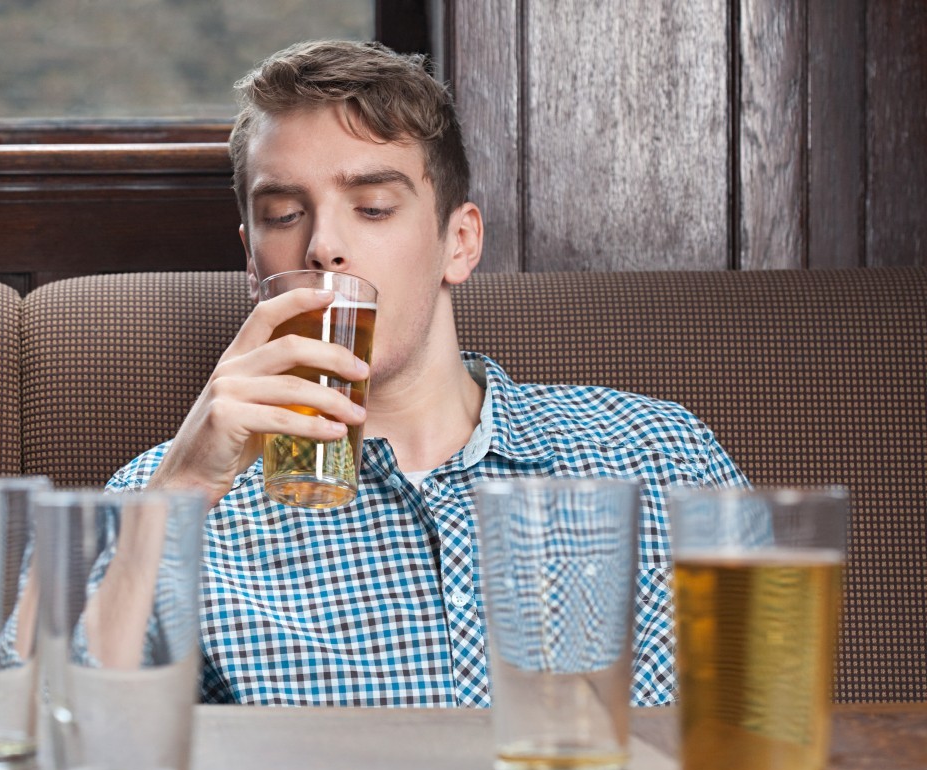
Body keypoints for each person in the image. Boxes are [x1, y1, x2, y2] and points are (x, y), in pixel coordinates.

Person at [106, 39, 748, 707]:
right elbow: (35, 741)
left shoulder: (665, 457)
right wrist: (178, 492)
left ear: (458, 242)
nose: (324, 245)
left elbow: (773, 727)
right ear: (252, 263)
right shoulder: (164, 496)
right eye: (284, 215)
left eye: (374, 206)